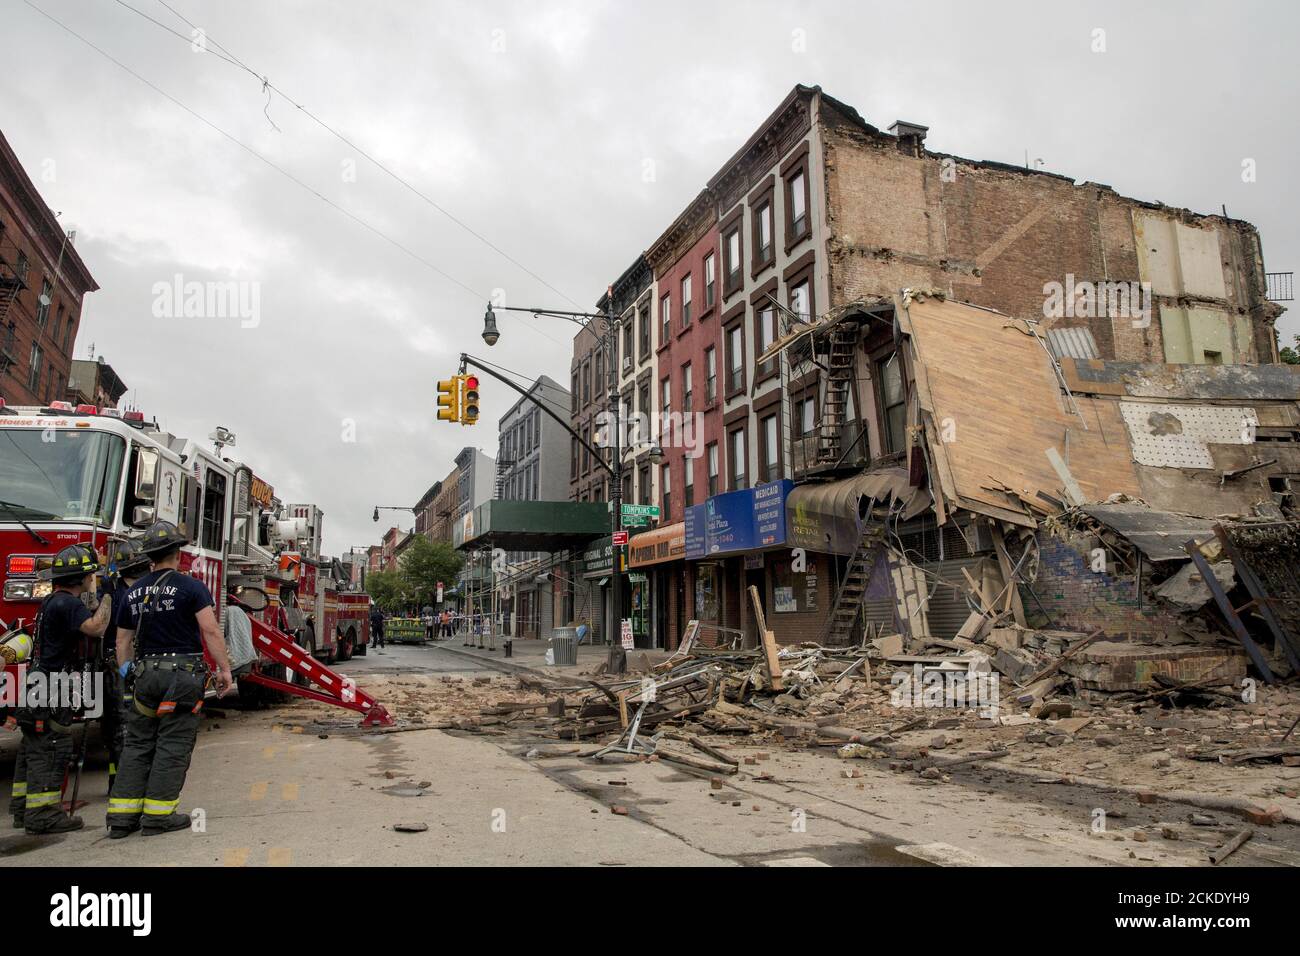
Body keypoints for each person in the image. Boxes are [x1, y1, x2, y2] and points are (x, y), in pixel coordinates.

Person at [106, 521, 233, 839]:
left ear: (149, 557)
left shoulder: (132, 592)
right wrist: (224, 670)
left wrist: (126, 672)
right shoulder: (191, 587)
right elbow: (210, 630)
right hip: (181, 676)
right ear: (177, 553)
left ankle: (121, 819)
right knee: (172, 744)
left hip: (144, 677)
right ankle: (158, 817)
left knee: (137, 743)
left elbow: (122, 642)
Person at [10, 544, 113, 835]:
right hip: (51, 687)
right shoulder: (68, 604)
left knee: (31, 748)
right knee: (51, 748)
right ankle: (43, 815)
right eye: (91, 575)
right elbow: (96, 628)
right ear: (82, 577)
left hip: (36, 684)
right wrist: (108, 597)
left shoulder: (52, 602)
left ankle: (22, 809)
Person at [100, 537, 152, 796]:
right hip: (119, 666)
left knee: (129, 726)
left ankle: (123, 781)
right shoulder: (117, 591)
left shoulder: (117, 589)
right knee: (121, 726)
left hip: (132, 665)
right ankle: (121, 784)